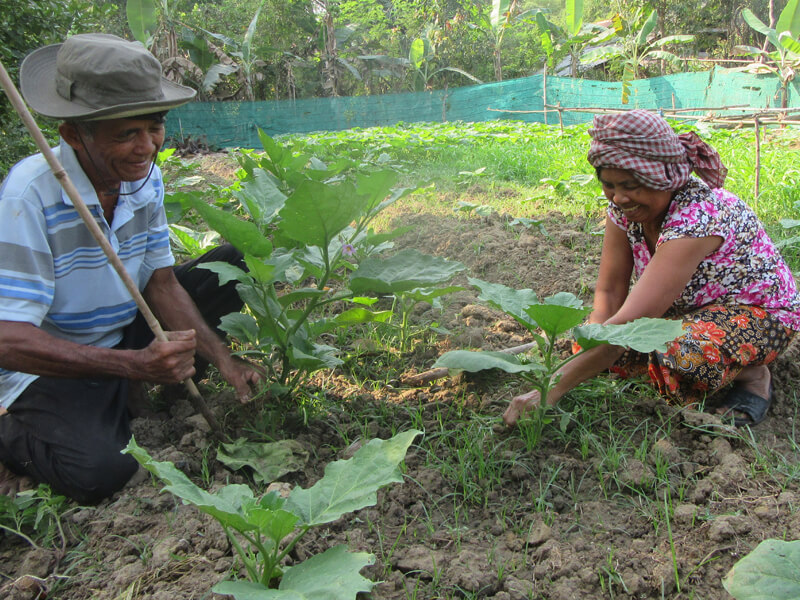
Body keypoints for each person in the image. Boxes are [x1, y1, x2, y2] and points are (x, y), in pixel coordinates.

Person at [0, 34, 263, 503]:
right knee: (100, 471)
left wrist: (224, 360)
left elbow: (160, 284)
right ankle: (15, 430)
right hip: (53, 365)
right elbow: (9, 341)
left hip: (124, 334)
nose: (148, 147)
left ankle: (138, 390)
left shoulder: (142, 177)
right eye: (126, 134)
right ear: (74, 134)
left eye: (155, 126)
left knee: (232, 265)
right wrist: (133, 365)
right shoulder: (29, 196)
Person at [504, 109, 800, 428]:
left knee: (683, 353)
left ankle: (753, 374)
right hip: (687, 312)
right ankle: (663, 360)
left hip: (760, 315)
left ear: (664, 177)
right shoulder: (623, 209)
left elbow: (632, 321)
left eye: (631, 185)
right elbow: (609, 290)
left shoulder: (698, 217)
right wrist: (590, 342)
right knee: (591, 341)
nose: (619, 197)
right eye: (609, 185)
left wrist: (551, 388)